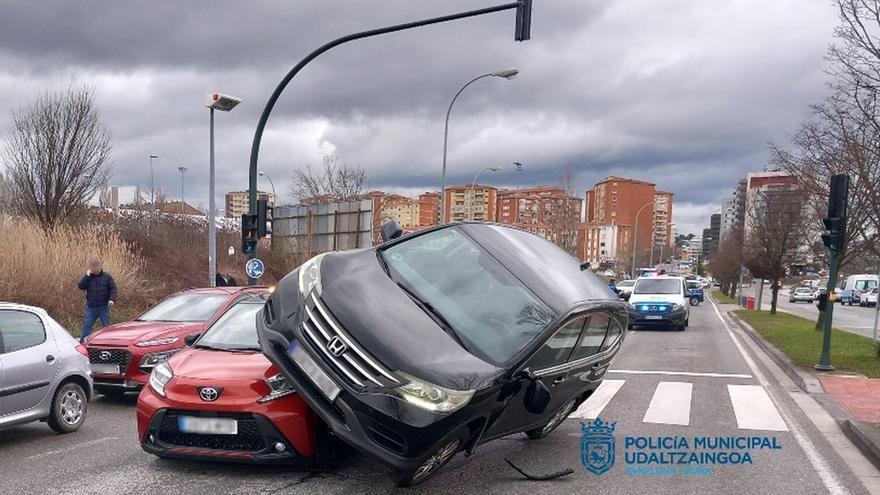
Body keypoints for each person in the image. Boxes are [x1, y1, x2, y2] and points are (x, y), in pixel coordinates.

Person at [77, 259, 117, 342]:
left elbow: (113, 289)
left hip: (103, 306)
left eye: (95, 268)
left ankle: (110, 342)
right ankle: (83, 342)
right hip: (91, 307)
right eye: (91, 268)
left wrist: (111, 299)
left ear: (99, 267)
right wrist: (86, 276)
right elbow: (81, 287)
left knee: (107, 326)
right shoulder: (88, 277)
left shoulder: (107, 277)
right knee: (87, 325)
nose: (93, 270)